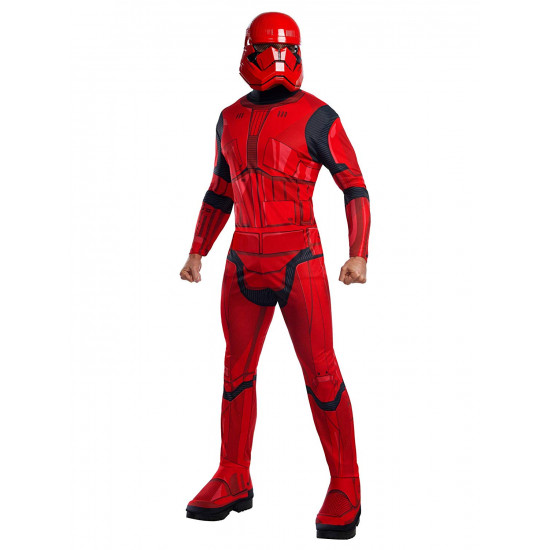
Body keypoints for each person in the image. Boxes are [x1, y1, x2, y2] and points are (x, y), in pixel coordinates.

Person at [180, 12, 370, 540]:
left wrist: (359, 253)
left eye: (284, 50)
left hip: (298, 259)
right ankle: (233, 474)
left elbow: (354, 185)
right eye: (269, 49)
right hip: (243, 260)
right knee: (235, 372)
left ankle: (346, 483)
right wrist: (197, 251)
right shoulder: (228, 119)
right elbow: (221, 189)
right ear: (250, 51)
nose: (278, 60)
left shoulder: (318, 116)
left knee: (321, 374)